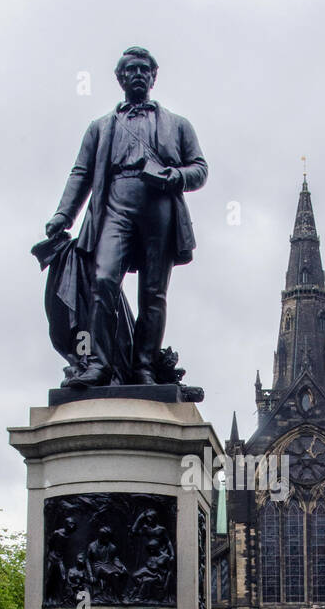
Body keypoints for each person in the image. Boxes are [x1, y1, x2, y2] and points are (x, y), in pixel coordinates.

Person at [43, 46, 208, 386]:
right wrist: (64, 214)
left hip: (159, 206)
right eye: (130, 70)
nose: (137, 75)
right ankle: (99, 365)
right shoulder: (100, 127)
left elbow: (200, 169)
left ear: (153, 76)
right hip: (114, 204)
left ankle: (144, 367)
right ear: (119, 78)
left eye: (143, 70)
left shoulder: (177, 125)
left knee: (153, 293)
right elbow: (81, 173)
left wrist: (173, 176)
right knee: (103, 282)